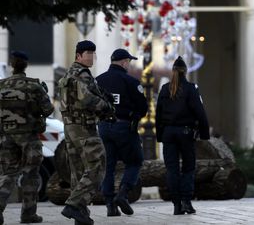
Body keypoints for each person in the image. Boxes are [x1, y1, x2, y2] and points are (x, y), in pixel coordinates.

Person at [59, 40, 114, 225]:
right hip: (84, 128)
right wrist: (105, 107)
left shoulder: (68, 74)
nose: (91, 57)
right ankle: (74, 205)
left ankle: (80, 215)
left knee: (79, 172)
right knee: (98, 164)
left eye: (93, 53)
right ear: (78, 55)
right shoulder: (82, 74)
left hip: (70, 128)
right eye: (87, 53)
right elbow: (86, 98)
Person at [0, 51, 54, 224]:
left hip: (7, 136)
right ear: (26, 65)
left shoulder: (1, 85)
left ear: (11, 64)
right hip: (29, 137)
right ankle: (28, 213)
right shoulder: (34, 86)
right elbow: (48, 110)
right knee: (31, 174)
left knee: (8, 174)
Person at [96, 49, 148, 217]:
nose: (129, 65)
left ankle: (110, 205)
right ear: (124, 62)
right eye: (129, 62)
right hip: (124, 126)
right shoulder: (130, 81)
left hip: (104, 126)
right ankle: (123, 194)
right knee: (135, 161)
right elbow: (143, 107)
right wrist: (135, 116)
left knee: (109, 166)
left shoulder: (98, 80)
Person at [156, 56, 210, 215]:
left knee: (171, 169)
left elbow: (158, 115)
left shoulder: (165, 89)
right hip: (185, 133)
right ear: (185, 72)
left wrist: (160, 135)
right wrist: (204, 134)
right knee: (188, 168)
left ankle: (176, 205)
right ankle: (186, 201)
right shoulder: (191, 88)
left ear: (172, 71)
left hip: (168, 133)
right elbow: (200, 112)